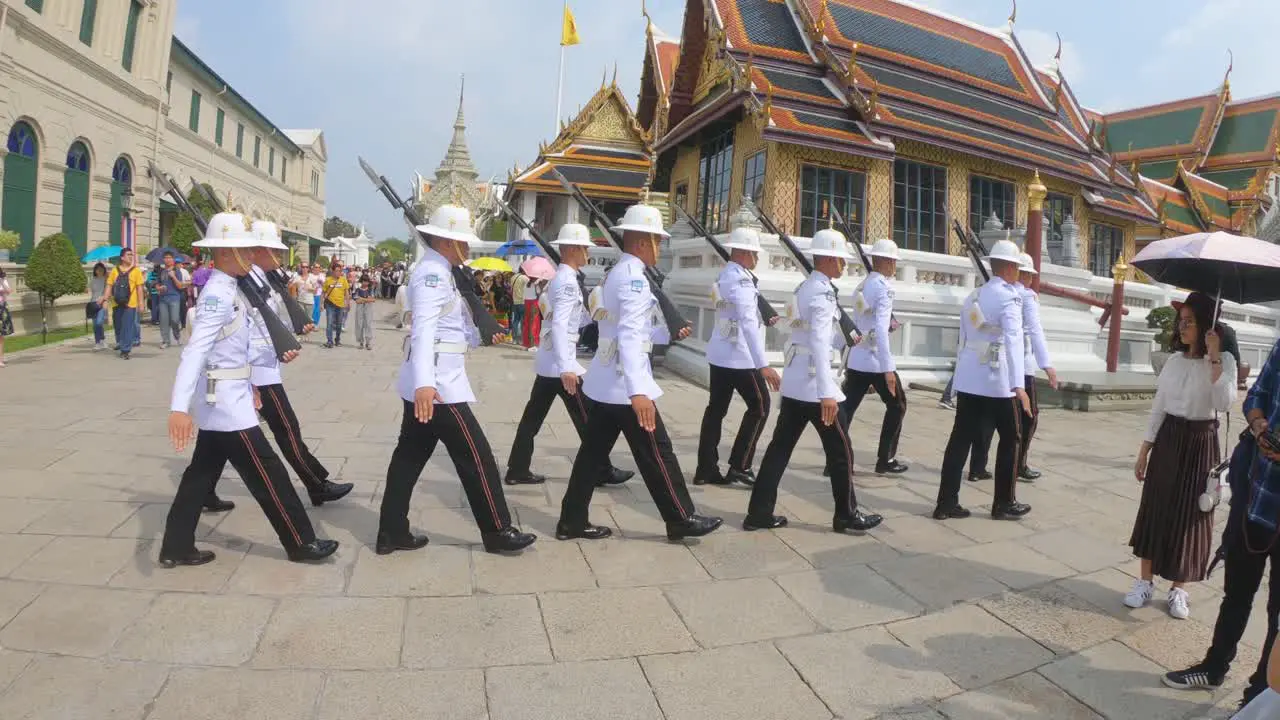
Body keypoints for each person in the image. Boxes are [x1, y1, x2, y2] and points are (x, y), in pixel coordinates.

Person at [160, 211, 339, 567]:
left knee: (200, 475)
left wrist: (252, 379)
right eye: (244, 249)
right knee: (268, 471)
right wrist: (179, 407)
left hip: (232, 394)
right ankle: (300, 541)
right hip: (226, 404)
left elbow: (234, 346)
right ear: (226, 254)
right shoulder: (218, 295)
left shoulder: (232, 288)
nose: (251, 255)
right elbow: (196, 352)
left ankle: (176, 546)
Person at [556, 202, 723, 543]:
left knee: (591, 457)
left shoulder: (619, 273)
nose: (659, 248)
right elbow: (630, 336)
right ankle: (680, 517)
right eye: (657, 241)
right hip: (624, 385)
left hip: (607, 381)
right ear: (644, 241)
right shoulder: (633, 279)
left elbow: (627, 329)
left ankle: (572, 520)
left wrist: (666, 333)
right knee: (658, 452)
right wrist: (639, 391)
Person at [378, 204, 536, 555]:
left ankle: (391, 530)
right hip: (437, 387)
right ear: (448, 242)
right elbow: (424, 331)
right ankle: (497, 530)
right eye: (462, 241)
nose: (467, 248)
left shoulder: (441, 271)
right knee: (476, 456)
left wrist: (481, 336)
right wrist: (424, 384)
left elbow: (452, 328)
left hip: (435, 379)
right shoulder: (433, 275)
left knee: (409, 457)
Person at [202, 221, 356, 513]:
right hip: (255, 370)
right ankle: (316, 484)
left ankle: (201, 489)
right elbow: (250, 330)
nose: (277, 255)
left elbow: (270, 320)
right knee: (286, 429)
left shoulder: (262, 278)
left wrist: (292, 331)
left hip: (261, 367)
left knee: (215, 439)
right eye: (271, 249)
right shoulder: (242, 282)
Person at [1162, 335, 1280, 707]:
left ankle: (1258, 696)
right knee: (1236, 593)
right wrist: (1260, 426)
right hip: (1256, 496)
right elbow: (1258, 393)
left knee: (1278, 613)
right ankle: (1214, 667)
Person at [744, 227, 884, 534]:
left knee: (779, 450)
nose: (844, 265)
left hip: (797, 382)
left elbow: (803, 334)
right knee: (841, 452)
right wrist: (827, 393)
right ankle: (846, 514)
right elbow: (819, 342)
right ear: (830, 259)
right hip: (815, 388)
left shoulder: (805, 288)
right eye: (841, 260)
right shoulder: (821, 293)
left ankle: (759, 512)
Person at [1126, 291, 1237, 619]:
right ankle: (1144, 581)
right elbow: (1159, 407)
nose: (1182, 327)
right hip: (1170, 438)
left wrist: (1216, 356)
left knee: (1193, 513)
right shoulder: (1173, 361)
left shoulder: (1223, 362)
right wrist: (1145, 448)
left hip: (1201, 441)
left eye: (1190, 321)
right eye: (1181, 321)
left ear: (1206, 325)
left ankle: (1179, 588)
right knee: (1155, 506)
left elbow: (1223, 403)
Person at [504, 223, 634, 489]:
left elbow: (572, 320)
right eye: (585, 247)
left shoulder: (564, 279)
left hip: (552, 361)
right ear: (573, 248)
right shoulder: (565, 281)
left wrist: (594, 311)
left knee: (535, 418)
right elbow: (562, 325)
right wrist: (567, 367)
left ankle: (518, 468)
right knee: (589, 417)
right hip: (560, 365)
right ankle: (600, 469)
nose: (587, 252)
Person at [934, 239, 1033, 522]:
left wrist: (959, 378)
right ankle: (1003, 502)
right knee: (1012, 437)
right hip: (997, 380)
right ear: (1012, 268)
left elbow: (964, 338)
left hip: (969, 377)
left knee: (959, 440)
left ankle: (946, 502)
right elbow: (1014, 341)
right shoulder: (1010, 297)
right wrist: (1019, 386)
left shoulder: (974, 296)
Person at [694, 226, 781, 487]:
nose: (756, 258)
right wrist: (763, 365)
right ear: (743, 253)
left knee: (716, 411)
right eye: (753, 253)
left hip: (720, 354)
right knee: (761, 406)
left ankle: (706, 468)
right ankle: (740, 465)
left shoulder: (726, 275)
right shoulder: (741, 280)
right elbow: (746, 322)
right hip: (741, 358)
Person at [965, 252, 1061, 483]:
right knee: (1027, 420)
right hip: (1021, 367)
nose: (1029, 279)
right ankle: (1019, 464)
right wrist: (1046, 364)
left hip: (991, 364)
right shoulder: (1025, 297)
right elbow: (1034, 331)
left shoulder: (988, 292)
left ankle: (978, 466)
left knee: (986, 419)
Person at [839, 238, 909, 476]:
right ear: (887, 261)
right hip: (877, 360)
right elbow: (880, 329)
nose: (894, 266)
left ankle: (835, 460)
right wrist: (888, 369)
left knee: (847, 408)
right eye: (893, 262)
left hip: (858, 357)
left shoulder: (863, 285)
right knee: (897, 405)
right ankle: (885, 459)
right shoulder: (884, 288)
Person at [101, 248, 146, 359]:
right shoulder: (115, 271)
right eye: (128, 255)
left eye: (132, 255)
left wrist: (141, 303)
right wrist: (105, 300)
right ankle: (121, 343)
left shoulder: (136, 271)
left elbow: (139, 288)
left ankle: (125, 350)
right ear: (122, 257)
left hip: (130, 304)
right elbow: (109, 285)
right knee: (118, 326)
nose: (131, 257)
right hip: (116, 303)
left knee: (128, 327)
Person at [156, 251, 186, 349]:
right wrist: (159, 288)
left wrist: (173, 277)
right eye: (166, 258)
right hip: (163, 299)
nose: (167, 259)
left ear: (173, 260)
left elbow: (180, 286)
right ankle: (166, 341)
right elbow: (157, 283)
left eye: (169, 258)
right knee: (164, 321)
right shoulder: (161, 271)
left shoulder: (177, 271)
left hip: (174, 298)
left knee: (174, 319)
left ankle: (177, 336)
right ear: (163, 260)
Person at [321, 261, 349, 348]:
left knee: (339, 324)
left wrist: (347, 303)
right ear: (332, 271)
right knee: (329, 323)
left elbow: (346, 291)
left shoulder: (343, 280)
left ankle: (337, 339)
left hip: (340, 305)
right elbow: (323, 292)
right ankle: (329, 341)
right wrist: (321, 304)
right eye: (336, 271)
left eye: (340, 271)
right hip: (330, 304)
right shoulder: (328, 280)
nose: (338, 273)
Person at [352, 274, 376, 351]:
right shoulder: (357, 290)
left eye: (367, 281)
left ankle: (368, 342)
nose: (365, 283)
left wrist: (362, 298)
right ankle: (361, 342)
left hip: (368, 308)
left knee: (368, 324)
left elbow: (372, 300)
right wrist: (366, 299)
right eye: (364, 281)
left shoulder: (370, 290)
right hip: (360, 308)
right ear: (361, 281)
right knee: (359, 324)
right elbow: (357, 301)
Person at [89, 263, 109, 351]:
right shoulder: (92, 280)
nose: (99, 271)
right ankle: (98, 342)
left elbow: (108, 291)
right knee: (95, 325)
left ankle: (102, 340)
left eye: (101, 269)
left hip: (102, 303)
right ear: (95, 271)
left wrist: (104, 299)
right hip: (93, 303)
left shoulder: (106, 280)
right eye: (97, 270)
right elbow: (90, 291)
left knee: (99, 322)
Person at [511, 270, 528, 344]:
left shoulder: (513, 277)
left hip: (515, 301)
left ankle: (514, 339)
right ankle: (521, 339)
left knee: (515, 320)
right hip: (523, 302)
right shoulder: (525, 278)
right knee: (523, 321)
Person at [0, 266, 12, 366]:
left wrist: (2, 281)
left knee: (1, 336)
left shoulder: (3, 280)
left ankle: (0, 359)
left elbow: (8, 291)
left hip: (1, 308)